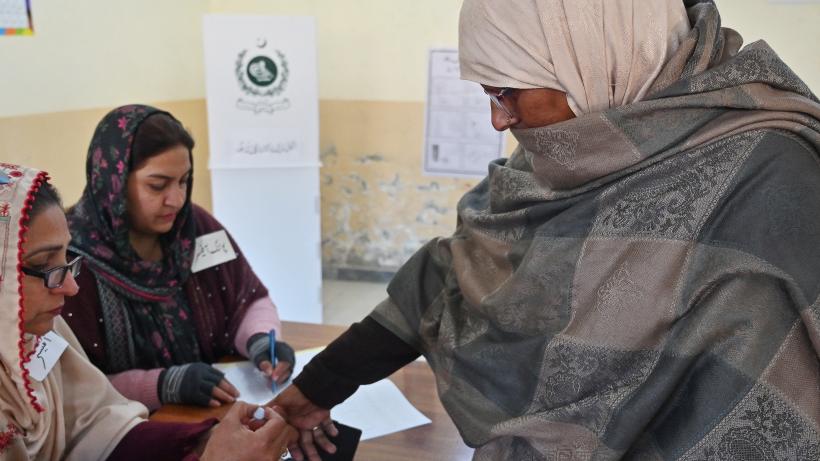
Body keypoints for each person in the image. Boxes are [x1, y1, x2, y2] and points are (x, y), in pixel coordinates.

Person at [274, 0, 820, 459]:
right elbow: (453, 272)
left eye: (507, 92)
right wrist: (319, 385)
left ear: (594, 59)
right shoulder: (567, 153)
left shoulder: (768, 183)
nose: (498, 120)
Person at [0, 163, 296, 460]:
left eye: (184, 181)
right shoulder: (54, 308)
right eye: (42, 266)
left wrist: (202, 440)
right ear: (114, 184)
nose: (70, 287)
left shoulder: (34, 333)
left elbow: (95, 424)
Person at [61, 105, 295, 411]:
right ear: (113, 183)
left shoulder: (194, 228)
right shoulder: (69, 263)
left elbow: (248, 298)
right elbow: (71, 385)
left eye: (184, 181)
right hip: (134, 435)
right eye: (157, 185)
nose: (177, 199)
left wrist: (261, 339)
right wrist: (161, 385)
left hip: (220, 412)